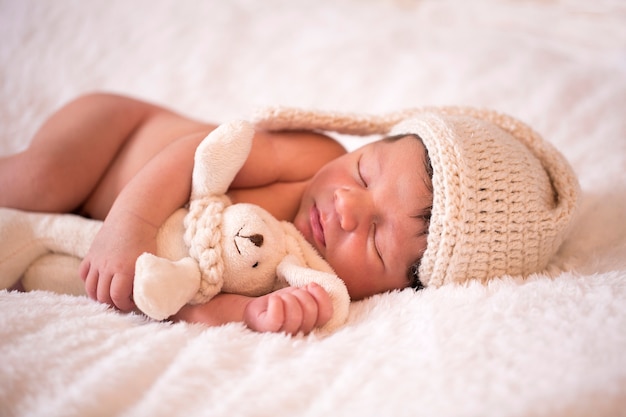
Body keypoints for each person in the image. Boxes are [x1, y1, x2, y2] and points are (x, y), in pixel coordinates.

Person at [0, 93, 580, 335]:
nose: (348, 208)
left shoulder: (320, 282)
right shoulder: (310, 156)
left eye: (377, 241)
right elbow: (194, 153)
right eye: (363, 173)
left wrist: (256, 314)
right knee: (35, 183)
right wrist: (131, 226)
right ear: (360, 146)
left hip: (95, 214)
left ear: (405, 289)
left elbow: (201, 298)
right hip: (113, 137)